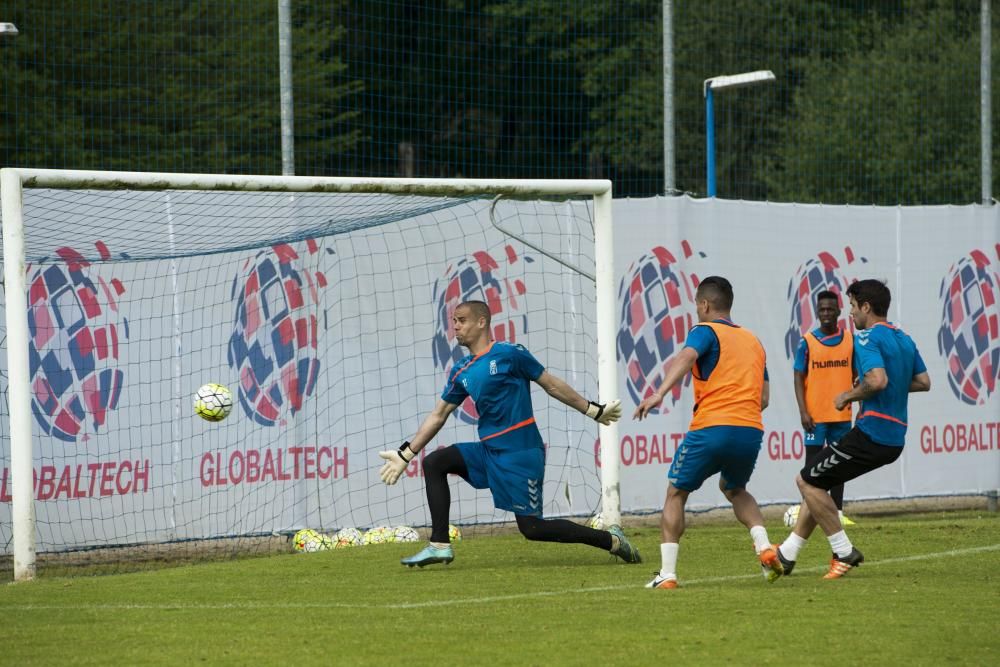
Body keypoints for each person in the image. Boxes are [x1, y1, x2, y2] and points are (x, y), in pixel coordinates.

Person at [377, 300, 642, 568]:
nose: (455, 327)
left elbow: (551, 385)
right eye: (454, 321)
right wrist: (405, 453)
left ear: (482, 322)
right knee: (435, 462)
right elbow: (438, 415)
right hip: (489, 451)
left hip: (520, 453)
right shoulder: (462, 370)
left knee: (532, 528)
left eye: (462, 320)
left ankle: (611, 541)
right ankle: (439, 545)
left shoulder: (510, 353)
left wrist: (592, 410)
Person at [634, 276, 782, 589]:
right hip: (750, 428)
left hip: (713, 425)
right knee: (735, 489)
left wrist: (659, 393)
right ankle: (765, 547)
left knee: (676, 493)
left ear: (704, 304)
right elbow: (765, 399)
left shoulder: (704, 330)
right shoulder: (754, 341)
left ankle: (667, 575)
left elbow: (687, 356)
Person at [777, 279, 930, 579]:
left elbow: (877, 381)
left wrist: (847, 395)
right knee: (818, 480)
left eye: (852, 306)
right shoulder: (905, 339)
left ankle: (843, 550)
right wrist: (884, 387)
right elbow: (923, 382)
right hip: (894, 439)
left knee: (806, 481)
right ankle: (787, 554)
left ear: (866, 307)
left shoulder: (866, 338)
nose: (850, 313)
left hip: (872, 433)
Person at [792, 289, 857, 526]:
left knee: (840, 464)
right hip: (815, 417)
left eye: (830, 309)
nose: (826, 313)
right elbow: (798, 376)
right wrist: (803, 411)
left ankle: (837, 512)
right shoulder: (807, 342)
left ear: (839, 311)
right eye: (822, 310)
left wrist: (858, 404)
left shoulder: (850, 339)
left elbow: (857, 375)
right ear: (817, 312)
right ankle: (810, 511)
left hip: (841, 415)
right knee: (812, 466)